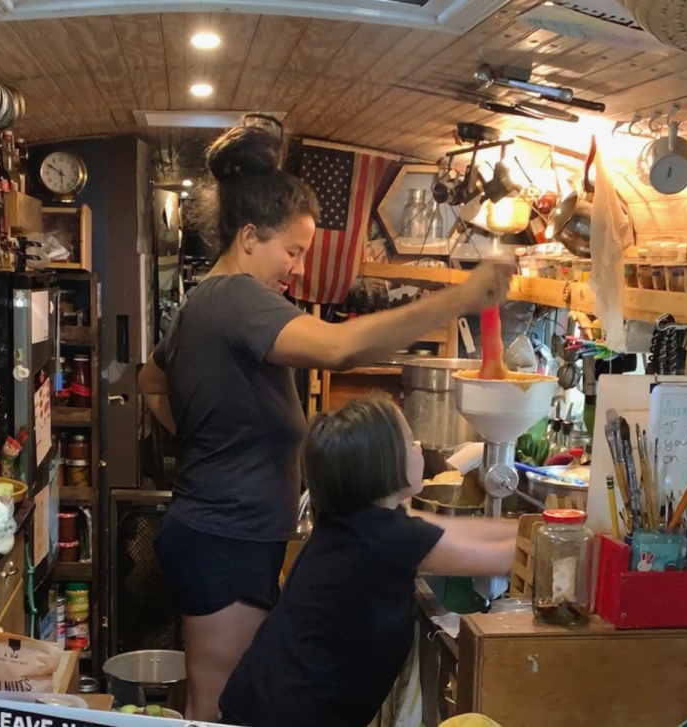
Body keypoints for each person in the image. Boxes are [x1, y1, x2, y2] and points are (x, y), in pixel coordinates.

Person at [138, 116, 515, 722]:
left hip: (226, 530)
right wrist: (459, 299)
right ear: (250, 237)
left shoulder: (200, 303)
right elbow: (339, 349)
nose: (297, 268)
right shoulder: (238, 297)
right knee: (221, 704)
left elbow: (150, 380)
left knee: (222, 693)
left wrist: (207, 435)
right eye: (293, 250)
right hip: (226, 533)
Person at [218, 397, 517, 727]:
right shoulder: (384, 539)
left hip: (255, 705)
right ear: (384, 464)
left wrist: (535, 526)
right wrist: (566, 535)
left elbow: (456, 530)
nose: (418, 446)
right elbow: (502, 555)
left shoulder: (354, 521)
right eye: (409, 440)